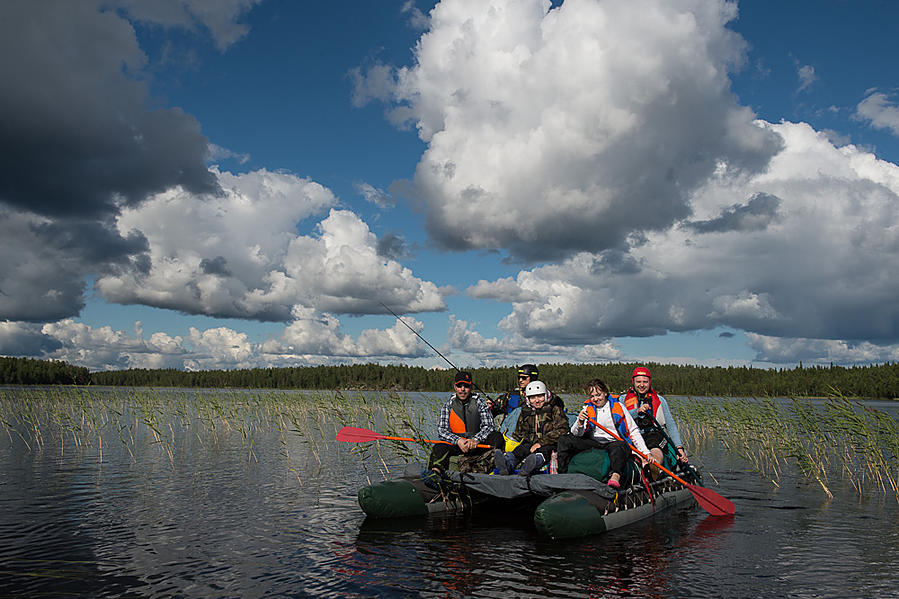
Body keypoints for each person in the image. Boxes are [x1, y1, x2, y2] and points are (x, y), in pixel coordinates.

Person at [556, 378, 658, 489]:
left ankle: (615, 476)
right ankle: (562, 474)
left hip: (614, 442)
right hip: (595, 442)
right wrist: (580, 422)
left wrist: (645, 452)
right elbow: (577, 434)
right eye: (592, 396)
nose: (595, 399)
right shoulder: (587, 409)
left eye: (598, 395)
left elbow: (633, 430)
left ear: (605, 393)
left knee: (620, 446)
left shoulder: (618, 407)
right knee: (565, 440)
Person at [422, 371, 505, 487]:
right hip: (457, 444)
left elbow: (489, 426)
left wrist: (475, 439)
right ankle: (435, 474)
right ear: (455, 387)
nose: (462, 389)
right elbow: (442, 430)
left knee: (497, 437)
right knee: (439, 447)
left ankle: (495, 467)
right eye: (459, 386)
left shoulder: (479, 402)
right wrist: (458, 441)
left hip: (477, 444)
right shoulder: (448, 405)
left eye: (466, 386)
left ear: (471, 387)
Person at [493, 380, 570, 476]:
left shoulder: (555, 409)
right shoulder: (526, 411)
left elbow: (563, 429)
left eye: (540, 396)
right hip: (530, 442)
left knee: (544, 452)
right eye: (532, 397)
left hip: (549, 443)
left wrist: (541, 443)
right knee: (520, 451)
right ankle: (507, 464)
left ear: (546, 395)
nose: (537, 400)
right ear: (528, 398)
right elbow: (519, 432)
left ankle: (531, 466)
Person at [622, 366, 688, 467]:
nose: (642, 385)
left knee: (654, 446)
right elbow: (620, 418)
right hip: (633, 435)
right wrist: (637, 411)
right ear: (633, 382)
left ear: (650, 382)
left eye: (645, 382)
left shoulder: (660, 400)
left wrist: (679, 447)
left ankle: (654, 465)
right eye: (638, 382)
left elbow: (670, 425)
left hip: (654, 435)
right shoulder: (622, 399)